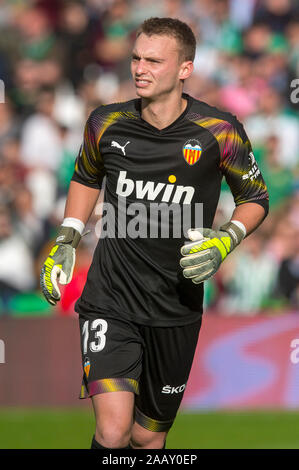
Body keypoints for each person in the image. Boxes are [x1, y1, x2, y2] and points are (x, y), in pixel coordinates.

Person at [40, 17, 269, 449]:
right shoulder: (105, 123)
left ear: (185, 69)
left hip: (176, 306)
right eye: (135, 58)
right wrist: (68, 236)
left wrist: (227, 237)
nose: (139, 68)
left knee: (147, 438)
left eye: (153, 61)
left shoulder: (220, 130)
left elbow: (255, 196)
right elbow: (86, 176)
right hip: (111, 297)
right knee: (113, 431)